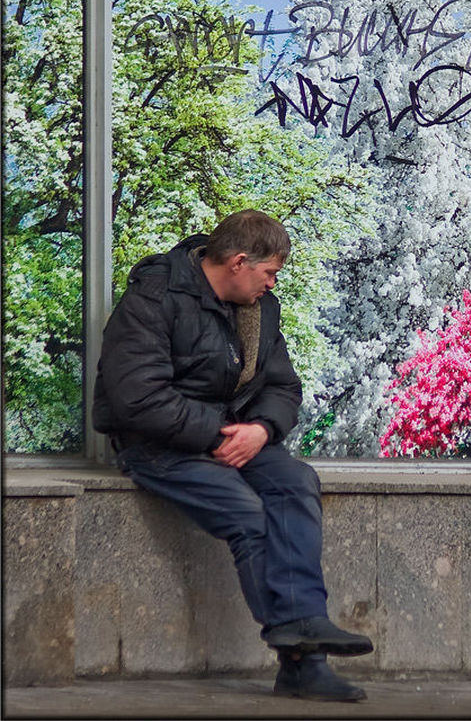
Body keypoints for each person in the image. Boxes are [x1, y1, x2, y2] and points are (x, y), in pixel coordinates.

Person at [92, 209, 373, 702]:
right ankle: (302, 656)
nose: (272, 284)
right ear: (240, 262)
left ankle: (304, 639)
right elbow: (136, 397)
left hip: (230, 436)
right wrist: (219, 435)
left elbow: (283, 386)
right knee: (246, 512)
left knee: (294, 481)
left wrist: (262, 430)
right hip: (155, 445)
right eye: (269, 273)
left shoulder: (260, 311)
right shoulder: (155, 298)